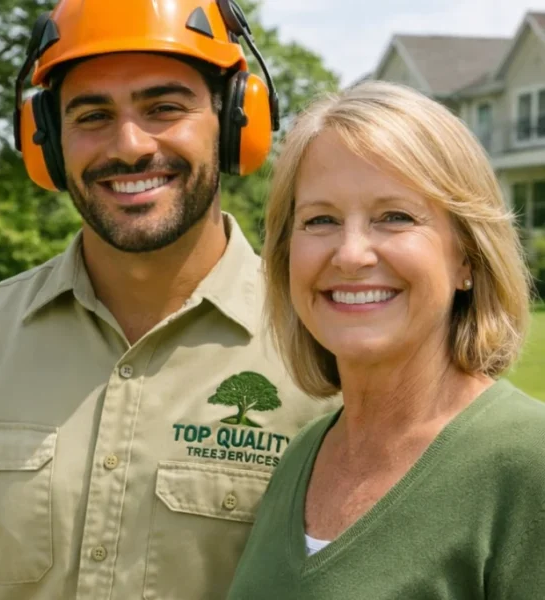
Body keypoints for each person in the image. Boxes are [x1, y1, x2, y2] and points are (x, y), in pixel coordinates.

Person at [0, 0, 339, 598]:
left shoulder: (326, 353)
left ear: (234, 121)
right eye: (91, 115)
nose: (128, 145)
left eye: (164, 107)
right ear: (45, 140)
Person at [226, 79, 545, 599]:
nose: (351, 254)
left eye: (394, 217)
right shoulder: (301, 457)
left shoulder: (531, 464)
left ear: (466, 255)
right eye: (320, 220)